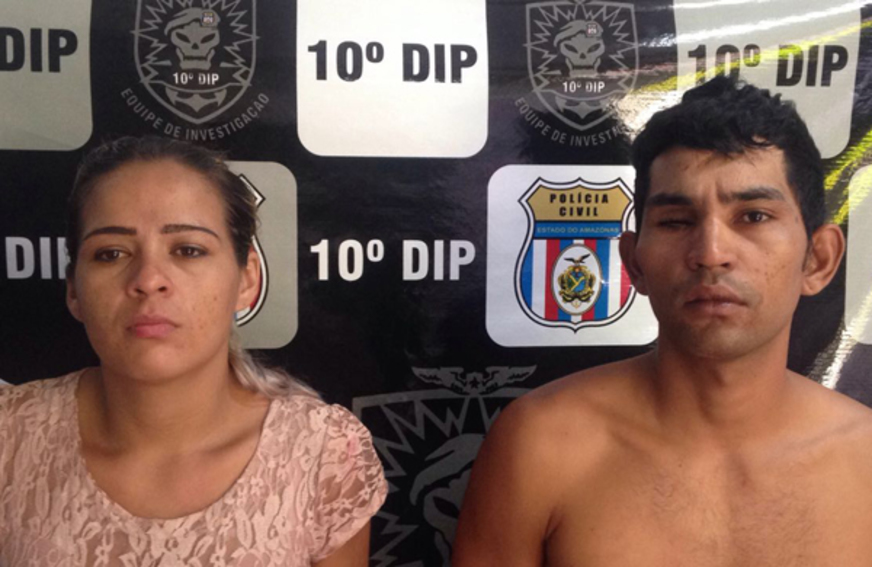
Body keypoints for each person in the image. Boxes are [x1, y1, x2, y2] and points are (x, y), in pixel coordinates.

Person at [453, 77, 872, 565]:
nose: (711, 252)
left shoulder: (864, 460)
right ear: (633, 263)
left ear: (818, 260)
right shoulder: (540, 447)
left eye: (753, 216)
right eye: (676, 221)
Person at [0, 137, 387, 566]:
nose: (148, 279)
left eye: (188, 250)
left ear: (247, 280)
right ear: (74, 289)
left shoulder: (322, 456)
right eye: (111, 253)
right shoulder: (9, 439)